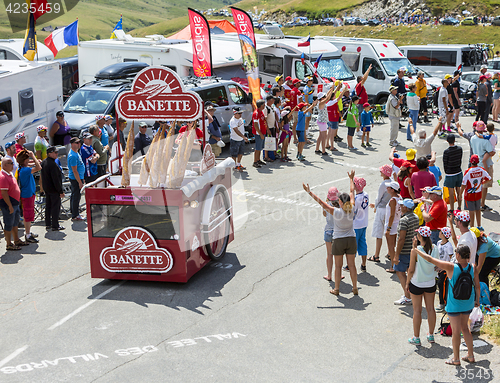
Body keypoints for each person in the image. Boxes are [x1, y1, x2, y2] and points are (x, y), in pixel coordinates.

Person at [415, 244, 479, 366]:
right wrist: (477, 301)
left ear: (458, 255)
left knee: (456, 331)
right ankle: (470, 355)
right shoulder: (473, 268)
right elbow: (477, 285)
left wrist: (417, 250)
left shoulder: (451, 267)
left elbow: (429, 259)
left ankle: (456, 359)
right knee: (465, 328)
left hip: (454, 305)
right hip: (468, 303)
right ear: (469, 255)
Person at [303, 170, 358, 296]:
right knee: (352, 266)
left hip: (339, 240)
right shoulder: (352, 208)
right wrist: (351, 178)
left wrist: (309, 192)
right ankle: (355, 287)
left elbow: (321, 202)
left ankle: (337, 289)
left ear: (341, 202)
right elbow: (352, 192)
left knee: (338, 266)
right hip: (351, 239)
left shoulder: (337, 212)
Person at [406, 226, 439, 345]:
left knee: (417, 311)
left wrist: (407, 283)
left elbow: (411, 269)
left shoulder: (415, 250)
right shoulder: (435, 248)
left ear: (420, 236)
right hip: (430, 282)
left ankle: (416, 337)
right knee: (431, 309)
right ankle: (431, 335)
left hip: (417, 283)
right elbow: (437, 266)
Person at [393, 198, 420, 305]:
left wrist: (396, 255)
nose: (400, 206)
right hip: (413, 250)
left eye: (401, 205)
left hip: (404, 252)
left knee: (400, 272)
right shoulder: (416, 217)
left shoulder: (404, 220)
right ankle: (411, 293)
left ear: (405, 207)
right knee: (410, 272)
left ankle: (407, 295)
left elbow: (401, 239)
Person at [0, 157, 26, 250]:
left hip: (15, 203)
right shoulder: (3, 176)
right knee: (8, 224)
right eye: (10, 163)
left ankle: (16, 240)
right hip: (8, 204)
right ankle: (8, 244)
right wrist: (10, 206)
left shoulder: (10, 173)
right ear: (5, 165)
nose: (13, 165)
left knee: (15, 223)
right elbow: (4, 193)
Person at [16, 149, 41, 243]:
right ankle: (27, 235)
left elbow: (31, 164)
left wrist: (34, 160)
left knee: (29, 215)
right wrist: (33, 157)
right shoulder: (25, 170)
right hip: (27, 195)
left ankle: (29, 232)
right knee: (28, 215)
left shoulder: (22, 168)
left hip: (29, 194)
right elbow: (39, 168)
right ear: (25, 160)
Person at [368, 164, 392, 263]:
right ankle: (390, 253)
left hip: (381, 209)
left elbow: (379, 197)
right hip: (389, 209)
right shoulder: (392, 182)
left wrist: (376, 206)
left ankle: (376, 255)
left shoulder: (383, 184)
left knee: (379, 234)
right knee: (388, 233)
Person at [470, 122, 495, 211]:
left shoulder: (472, 138)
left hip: (476, 164)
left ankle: (476, 202)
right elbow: (491, 152)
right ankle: (482, 204)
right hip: (485, 165)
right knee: (484, 186)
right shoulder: (486, 141)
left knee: (476, 184)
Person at [461, 154, 491, 227]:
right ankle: (479, 226)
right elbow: (489, 178)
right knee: (478, 210)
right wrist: (483, 182)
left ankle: (472, 227)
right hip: (478, 193)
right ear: (478, 161)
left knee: (471, 211)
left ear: (471, 161)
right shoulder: (481, 169)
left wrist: (460, 193)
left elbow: (463, 184)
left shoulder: (468, 171)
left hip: (469, 194)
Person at [41, 146, 65, 231]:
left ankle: (48, 223)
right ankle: (55, 225)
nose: (57, 154)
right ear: (49, 154)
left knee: (48, 206)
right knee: (55, 207)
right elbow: (56, 180)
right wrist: (60, 191)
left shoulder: (44, 162)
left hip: (47, 188)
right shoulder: (53, 164)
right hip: (54, 189)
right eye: (55, 152)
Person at [322, 187, 341, 282]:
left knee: (329, 254)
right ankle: (339, 274)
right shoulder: (340, 206)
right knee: (338, 255)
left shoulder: (326, 205)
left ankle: (329, 275)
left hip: (328, 230)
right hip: (337, 232)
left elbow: (324, 214)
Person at [315, 84, 340, 155]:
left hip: (321, 121)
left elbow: (328, 95)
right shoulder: (321, 103)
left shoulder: (321, 102)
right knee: (324, 137)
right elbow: (328, 98)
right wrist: (332, 90)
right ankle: (323, 151)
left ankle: (317, 149)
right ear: (322, 98)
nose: (325, 96)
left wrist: (332, 89)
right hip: (322, 122)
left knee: (320, 136)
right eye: (324, 96)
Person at [352, 177, 369, 272]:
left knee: (353, 245)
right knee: (363, 243)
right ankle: (363, 264)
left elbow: (353, 211)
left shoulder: (356, 199)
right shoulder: (366, 195)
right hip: (364, 223)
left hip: (356, 224)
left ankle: (350, 265)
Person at [443, 133, 463, 211]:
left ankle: (451, 208)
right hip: (458, 172)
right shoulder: (460, 149)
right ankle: (459, 207)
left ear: (447, 141)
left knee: (451, 192)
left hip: (450, 174)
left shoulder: (446, 152)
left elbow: (445, 163)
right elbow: (460, 160)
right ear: (454, 140)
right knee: (459, 191)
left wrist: (447, 171)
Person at [385, 180, 402, 274]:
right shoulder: (399, 197)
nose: (387, 188)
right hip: (397, 224)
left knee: (391, 247)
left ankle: (393, 266)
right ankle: (395, 264)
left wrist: (388, 228)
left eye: (389, 187)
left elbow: (391, 215)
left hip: (392, 225)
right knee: (394, 246)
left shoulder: (392, 200)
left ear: (392, 190)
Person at [436, 227, 454, 312]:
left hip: (445, 270)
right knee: (439, 284)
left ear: (444, 235)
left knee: (442, 285)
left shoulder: (449, 246)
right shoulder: (439, 242)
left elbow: (451, 259)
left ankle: (443, 303)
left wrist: (444, 267)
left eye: (441, 232)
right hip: (438, 268)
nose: (439, 233)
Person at [68, 137, 85, 222]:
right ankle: (75, 215)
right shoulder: (73, 156)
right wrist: (80, 182)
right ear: (72, 144)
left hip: (79, 177)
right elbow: (74, 171)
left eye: (79, 142)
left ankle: (74, 212)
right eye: (76, 143)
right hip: (76, 179)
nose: (79, 144)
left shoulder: (76, 153)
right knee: (76, 197)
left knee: (74, 195)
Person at [326, 82, 344, 151]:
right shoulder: (332, 102)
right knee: (332, 134)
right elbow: (339, 97)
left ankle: (327, 144)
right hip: (333, 119)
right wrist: (344, 90)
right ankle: (332, 147)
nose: (335, 96)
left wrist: (334, 88)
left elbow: (331, 94)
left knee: (329, 133)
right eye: (334, 96)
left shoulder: (327, 101)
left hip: (329, 119)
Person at [229, 108, 249, 172]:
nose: (241, 114)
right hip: (235, 139)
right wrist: (244, 137)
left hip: (241, 139)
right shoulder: (232, 121)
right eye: (239, 113)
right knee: (234, 154)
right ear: (235, 113)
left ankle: (238, 164)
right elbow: (236, 130)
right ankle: (234, 166)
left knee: (241, 152)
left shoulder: (240, 119)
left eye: (241, 113)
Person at [252, 99, 267, 168]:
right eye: (264, 105)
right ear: (261, 105)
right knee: (257, 148)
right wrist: (260, 134)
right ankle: (255, 162)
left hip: (262, 132)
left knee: (260, 147)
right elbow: (255, 125)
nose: (264, 106)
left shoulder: (261, 112)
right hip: (258, 134)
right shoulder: (256, 113)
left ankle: (258, 160)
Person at [263, 95, 277, 161]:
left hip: (272, 127)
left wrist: (276, 126)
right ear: (269, 100)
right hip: (268, 128)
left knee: (272, 142)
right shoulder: (266, 108)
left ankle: (272, 155)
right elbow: (264, 120)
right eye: (272, 99)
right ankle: (266, 156)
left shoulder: (271, 107)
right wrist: (267, 129)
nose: (274, 101)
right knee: (267, 142)